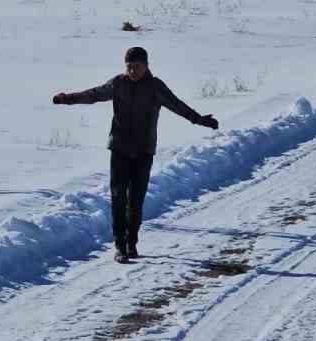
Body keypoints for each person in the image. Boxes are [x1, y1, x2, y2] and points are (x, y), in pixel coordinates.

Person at [52, 47, 219, 263]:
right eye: (129, 66)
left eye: (136, 66)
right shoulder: (118, 83)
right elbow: (93, 95)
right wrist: (67, 98)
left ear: (146, 65)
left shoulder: (155, 86)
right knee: (117, 197)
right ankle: (120, 246)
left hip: (143, 151)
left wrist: (199, 119)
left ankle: (132, 243)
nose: (132, 70)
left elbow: (176, 105)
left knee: (135, 200)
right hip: (119, 148)